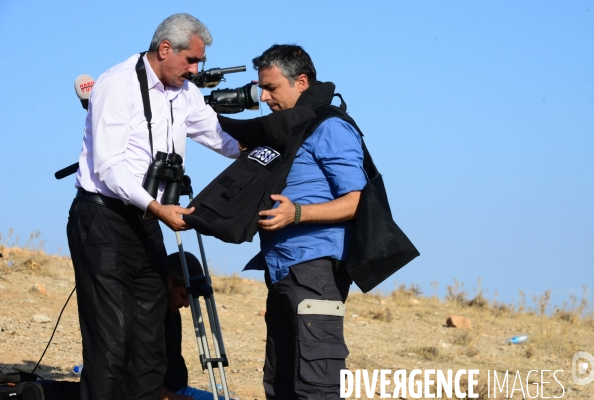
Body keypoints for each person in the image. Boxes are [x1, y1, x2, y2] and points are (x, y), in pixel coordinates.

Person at [66, 14, 240, 400]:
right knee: (110, 345)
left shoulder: (185, 91)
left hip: (145, 223)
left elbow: (221, 139)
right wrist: (158, 208)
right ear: (165, 49)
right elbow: (108, 166)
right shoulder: (117, 84)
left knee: (150, 347)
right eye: (192, 60)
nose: (196, 70)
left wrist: (265, 145)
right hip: (102, 219)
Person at [245, 45, 368, 400]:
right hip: (282, 270)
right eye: (261, 88)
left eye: (271, 88)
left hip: (315, 271)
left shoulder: (330, 126)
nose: (264, 98)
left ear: (301, 81)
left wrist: (296, 213)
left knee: (318, 384)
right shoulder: (288, 131)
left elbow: (357, 200)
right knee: (281, 381)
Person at [161, 252, 227, 400]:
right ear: (168, 281)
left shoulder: (172, 312)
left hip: (180, 390)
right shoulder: (146, 314)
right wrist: (167, 396)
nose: (186, 304)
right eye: (183, 295)